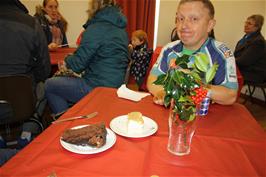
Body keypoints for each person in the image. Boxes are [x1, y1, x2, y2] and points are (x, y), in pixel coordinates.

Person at [45, 0, 129, 116]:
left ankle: (64, 122)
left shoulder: (95, 29)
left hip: (97, 88)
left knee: (50, 85)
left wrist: (67, 59)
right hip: (116, 86)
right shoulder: (121, 31)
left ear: (94, 7)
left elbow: (77, 65)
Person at [147, 0, 238, 106]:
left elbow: (230, 95)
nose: (184, 25)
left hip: (206, 117)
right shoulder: (168, 49)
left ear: (209, 25)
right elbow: (152, 79)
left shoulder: (222, 52)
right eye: (180, 19)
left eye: (194, 19)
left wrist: (195, 85)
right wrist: (162, 93)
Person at [0, 0, 51, 164]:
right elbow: (44, 70)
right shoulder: (31, 23)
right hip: (22, 102)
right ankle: (28, 131)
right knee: (46, 85)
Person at [234, 14, 266, 83]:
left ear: (257, 27)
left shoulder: (258, 41)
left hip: (253, 74)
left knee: (221, 72)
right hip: (244, 70)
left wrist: (228, 61)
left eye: (249, 24)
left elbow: (243, 61)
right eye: (246, 22)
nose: (245, 25)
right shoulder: (246, 38)